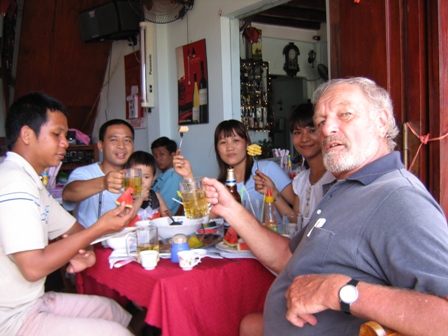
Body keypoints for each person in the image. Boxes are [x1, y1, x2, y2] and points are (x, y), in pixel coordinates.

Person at [203, 77, 448, 336]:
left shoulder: (399, 198)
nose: (327, 128)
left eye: (345, 114)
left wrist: (338, 290)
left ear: (381, 121)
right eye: (321, 121)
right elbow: (287, 258)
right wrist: (230, 208)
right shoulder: (344, 188)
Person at [0, 92, 136, 335]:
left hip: (32, 302)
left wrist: (84, 249)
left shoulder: (32, 183)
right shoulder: (13, 183)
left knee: (114, 312)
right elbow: (32, 267)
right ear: (27, 135)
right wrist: (100, 229)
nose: (65, 142)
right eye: (57, 134)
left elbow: (74, 230)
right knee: (119, 333)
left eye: (65, 135)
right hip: (10, 317)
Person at [174, 120, 295, 220]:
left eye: (236, 140)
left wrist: (273, 192)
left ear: (247, 142)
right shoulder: (220, 187)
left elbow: (298, 215)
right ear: (217, 149)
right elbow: (201, 219)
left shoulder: (267, 169)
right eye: (223, 142)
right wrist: (188, 176)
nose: (230, 148)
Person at [254, 102, 335, 229]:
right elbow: (296, 220)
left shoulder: (335, 177)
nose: (304, 139)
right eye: (297, 132)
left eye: (312, 130)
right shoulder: (301, 180)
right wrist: (273, 192)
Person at [62, 119, 135, 228]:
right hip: (93, 243)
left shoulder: (135, 176)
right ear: (100, 146)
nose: (121, 146)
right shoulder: (84, 173)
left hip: (126, 241)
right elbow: (68, 194)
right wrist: (103, 182)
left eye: (127, 140)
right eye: (114, 140)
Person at [124, 150, 170, 223]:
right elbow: (125, 219)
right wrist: (140, 198)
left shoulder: (156, 197)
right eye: (136, 177)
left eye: (146, 177)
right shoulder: (126, 197)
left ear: (153, 178)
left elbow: (168, 216)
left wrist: (169, 218)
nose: (141, 181)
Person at [151, 136, 183, 215]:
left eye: (162, 154)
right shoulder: (161, 176)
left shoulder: (174, 177)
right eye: (155, 155)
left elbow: (162, 209)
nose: (157, 158)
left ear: (173, 155)